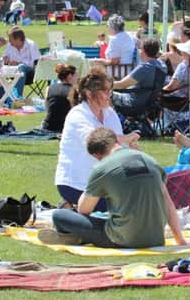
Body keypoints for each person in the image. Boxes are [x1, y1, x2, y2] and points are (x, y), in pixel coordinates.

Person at [40, 127, 189, 247]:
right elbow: (168, 202)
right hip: (155, 237)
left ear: (97, 156)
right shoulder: (149, 160)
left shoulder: (102, 168)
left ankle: (72, 237)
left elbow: (83, 210)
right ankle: (76, 238)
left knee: (59, 215)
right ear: (116, 141)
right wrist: (180, 240)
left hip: (122, 238)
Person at [54, 67, 140, 209]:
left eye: (110, 90)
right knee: (123, 206)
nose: (109, 95)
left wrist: (131, 151)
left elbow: (118, 149)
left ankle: (71, 210)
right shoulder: (77, 115)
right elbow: (96, 142)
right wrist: (125, 139)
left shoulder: (110, 113)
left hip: (104, 182)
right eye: (105, 91)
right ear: (89, 93)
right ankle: (67, 210)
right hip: (76, 183)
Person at [112, 38, 166, 114]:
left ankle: (108, 123)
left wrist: (104, 85)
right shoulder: (162, 66)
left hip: (133, 103)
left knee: (104, 94)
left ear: (143, 51)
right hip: (149, 103)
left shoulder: (145, 67)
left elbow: (122, 85)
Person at [0, 26, 41, 99]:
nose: (9, 41)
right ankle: (1, 97)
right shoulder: (10, 45)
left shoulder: (31, 44)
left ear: (18, 39)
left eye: (11, 39)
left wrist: (19, 62)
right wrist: (5, 59)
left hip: (29, 73)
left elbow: (35, 62)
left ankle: (17, 98)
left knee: (21, 67)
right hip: (12, 70)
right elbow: (4, 55)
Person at [162, 39, 190, 105]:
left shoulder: (184, 66)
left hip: (181, 100)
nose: (182, 52)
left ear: (187, 53)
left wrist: (161, 91)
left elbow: (171, 87)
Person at [41, 64, 77, 133]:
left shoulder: (49, 88)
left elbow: (47, 108)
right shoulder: (75, 90)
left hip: (48, 126)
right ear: (70, 76)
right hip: (65, 126)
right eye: (76, 76)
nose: (77, 78)